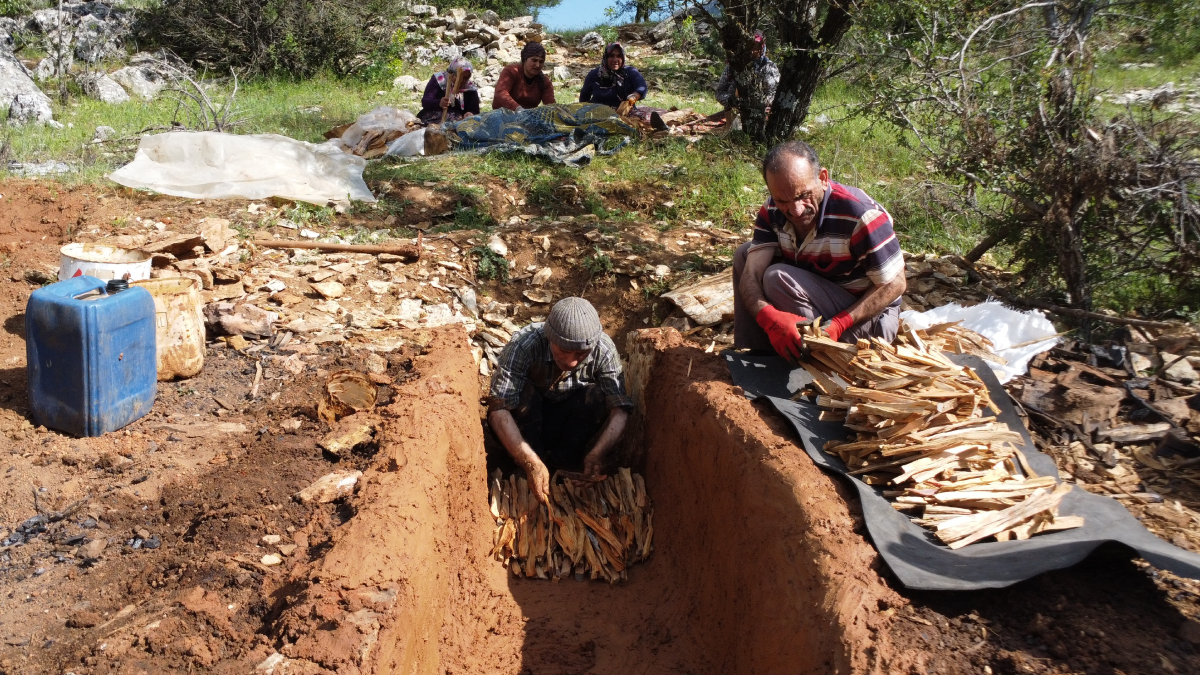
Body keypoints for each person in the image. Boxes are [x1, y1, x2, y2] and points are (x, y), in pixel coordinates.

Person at [733, 140, 906, 360]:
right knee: (744, 255)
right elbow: (751, 274)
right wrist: (768, 318)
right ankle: (762, 353)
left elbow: (896, 283)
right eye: (782, 200)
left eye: (802, 195)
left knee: (778, 278)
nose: (795, 210)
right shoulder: (773, 210)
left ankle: (813, 357)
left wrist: (839, 324)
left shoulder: (859, 215)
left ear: (823, 179)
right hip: (820, 295)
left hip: (867, 321)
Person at [487, 297, 632, 505]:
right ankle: (525, 464)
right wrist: (530, 462)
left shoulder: (603, 349)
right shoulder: (524, 345)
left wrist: (597, 454)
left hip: (565, 419)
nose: (572, 361)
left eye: (581, 353)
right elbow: (497, 410)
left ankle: (566, 462)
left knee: (597, 397)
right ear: (549, 337)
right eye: (563, 350)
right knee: (521, 395)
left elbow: (620, 409)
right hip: (527, 421)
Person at [579, 42, 665, 129]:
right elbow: (584, 96)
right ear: (606, 57)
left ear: (623, 58)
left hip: (625, 112)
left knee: (639, 120)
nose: (615, 59)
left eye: (619, 56)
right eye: (611, 56)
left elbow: (642, 86)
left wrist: (635, 95)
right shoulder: (594, 74)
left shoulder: (630, 72)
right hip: (598, 112)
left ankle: (659, 128)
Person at [715, 31, 780, 118]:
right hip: (733, 113)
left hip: (760, 115)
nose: (753, 50)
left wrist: (755, 104)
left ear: (762, 47)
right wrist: (731, 101)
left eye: (756, 46)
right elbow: (720, 92)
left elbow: (773, 95)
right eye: (749, 46)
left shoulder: (769, 67)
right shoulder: (732, 65)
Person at [493, 41, 556, 111]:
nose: (538, 65)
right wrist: (518, 109)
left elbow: (551, 106)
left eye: (541, 62)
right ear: (525, 59)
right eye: (534, 60)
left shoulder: (545, 82)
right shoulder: (511, 71)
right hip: (502, 115)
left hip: (527, 117)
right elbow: (500, 93)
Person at [418, 57, 480, 125]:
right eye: (460, 77)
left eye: (466, 78)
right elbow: (425, 102)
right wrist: (439, 103)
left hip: (458, 121)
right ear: (452, 74)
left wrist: (470, 113)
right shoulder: (439, 80)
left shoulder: (470, 89)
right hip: (433, 117)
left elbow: (475, 110)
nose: (463, 81)